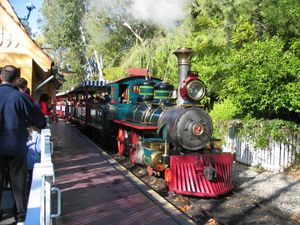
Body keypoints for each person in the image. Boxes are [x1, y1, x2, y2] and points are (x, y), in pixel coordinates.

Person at [0, 65, 47, 223]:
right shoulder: (20, 97)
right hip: (16, 147)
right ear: (15, 80)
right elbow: (40, 121)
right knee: (18, 182)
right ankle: (20, 216)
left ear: (1, 77)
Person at [26, 127, 41, 196]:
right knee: (32, 181)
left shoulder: (19, 134)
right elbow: (40, 150)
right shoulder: (37, 136)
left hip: (22, 163)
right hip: (33, 163)